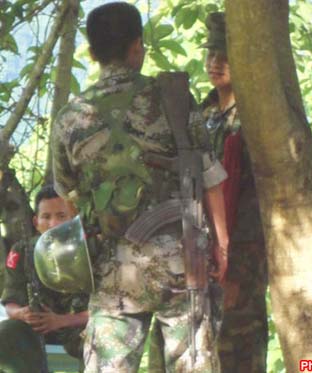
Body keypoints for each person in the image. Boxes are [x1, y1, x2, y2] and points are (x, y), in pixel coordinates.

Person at [51, 2, 229, 372]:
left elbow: (68, 199)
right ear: (137, 47)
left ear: (92, 51)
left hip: (114, 272)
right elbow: (210, 178)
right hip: (183, 265)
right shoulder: (174, 99)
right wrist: (221, 246)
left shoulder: (70, 118)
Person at [148, 12, 268, 373]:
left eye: (225, 55)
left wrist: (236, 266)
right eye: (211, 54)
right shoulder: (201, 113)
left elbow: (253, 195)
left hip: (242, 250)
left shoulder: (255, 116)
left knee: (236, 339)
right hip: (195, 246)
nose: (214, 63)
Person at [0, 185, 89, 367]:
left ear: (74, 218)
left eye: (61, 216)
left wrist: (61, 321)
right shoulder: (23, 251)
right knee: (6, 332)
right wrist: (21, 314)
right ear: (36, 222)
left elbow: (108, 311)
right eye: (46, 217)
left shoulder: (90, 250)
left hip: (78, 329)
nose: (54, 224)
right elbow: (10, 301)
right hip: (36, 332)